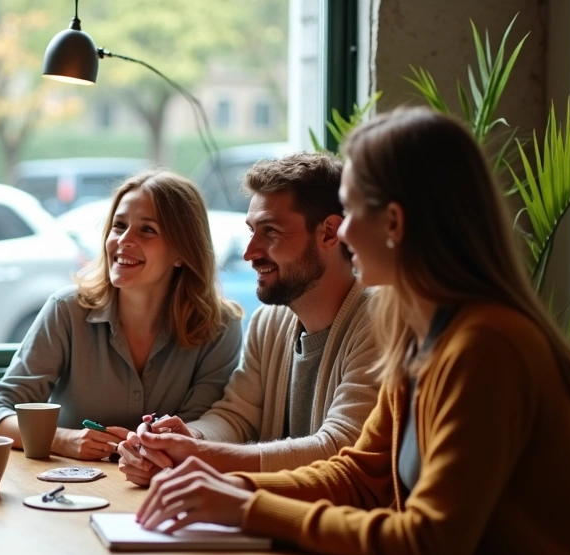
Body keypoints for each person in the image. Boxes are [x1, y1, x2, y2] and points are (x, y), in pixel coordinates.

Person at [138, 108, 570, 555]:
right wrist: (227, 487)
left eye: (352, 211)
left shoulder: (486, 347)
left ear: (395, 223)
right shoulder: (414, 329)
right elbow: (359, 473)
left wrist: (248, 507)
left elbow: (427, 550)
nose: (344, 230)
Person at [117, 154, 379, 485]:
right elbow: (236, 417)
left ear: (329, 233)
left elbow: (340, 449)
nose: (250, 252)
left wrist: (199, 456)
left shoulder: (379, 322)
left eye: (270, 231)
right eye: (252, 231)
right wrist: (188, 440)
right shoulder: (268, 323)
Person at [0, 170, 244, 460]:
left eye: (147, 230)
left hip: (162, 486)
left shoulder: (219, 326)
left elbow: (199, 426)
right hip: (69, 488)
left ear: (182, 252)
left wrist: (166, 445)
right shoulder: (67, 310)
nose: (123, 240)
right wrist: (63, 440)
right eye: (119, 226)